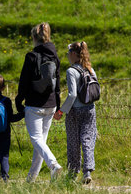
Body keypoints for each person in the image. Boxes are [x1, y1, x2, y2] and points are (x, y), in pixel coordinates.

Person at [15, 22, 64, 182]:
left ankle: (53, 164)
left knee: (36, 139)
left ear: (34, 38)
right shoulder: (55, 56)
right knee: (41, 142)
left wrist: (18, 100)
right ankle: (31, 179)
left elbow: (24, 82)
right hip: (51, 104)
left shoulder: (31, 56)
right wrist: (58, 104)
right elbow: (58, 83)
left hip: (34, 105)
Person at [54, 41, 97, 184]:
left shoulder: (71, 71)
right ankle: (87, 172)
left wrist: (61, 110)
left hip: (75, 112)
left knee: (73, 142)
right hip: (90, 109)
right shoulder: (90, 69)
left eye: (68, 54)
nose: (67, 56)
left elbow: (72, 95)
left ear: (73, 54)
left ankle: (72, 174)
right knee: (87, 140)